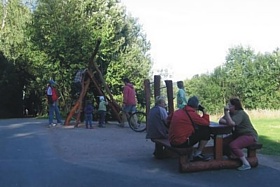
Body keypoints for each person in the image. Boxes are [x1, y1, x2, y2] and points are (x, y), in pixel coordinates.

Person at [219, 97, 258, 171]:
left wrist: (226, 113)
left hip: (249, 135)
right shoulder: (231, 113)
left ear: (234, 106)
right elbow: (221, 120)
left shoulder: (240, 113)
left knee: (233, 145)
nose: (228, 106)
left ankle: (246, 163)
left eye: (229, 105)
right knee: (222, 142)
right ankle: (232, 157)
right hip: (238, 135)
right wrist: (227, 118)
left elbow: (232, 123)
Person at [168, 96, 211, 161]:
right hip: (181, 143)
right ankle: (198, 153)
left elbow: (167, 120)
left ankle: (194, 153)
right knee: (206, 131)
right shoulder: (192, 114)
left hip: (172, 141)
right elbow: (206, 123)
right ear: (196, 106)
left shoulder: (178, 111)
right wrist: (204, 112)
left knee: (192, 131)